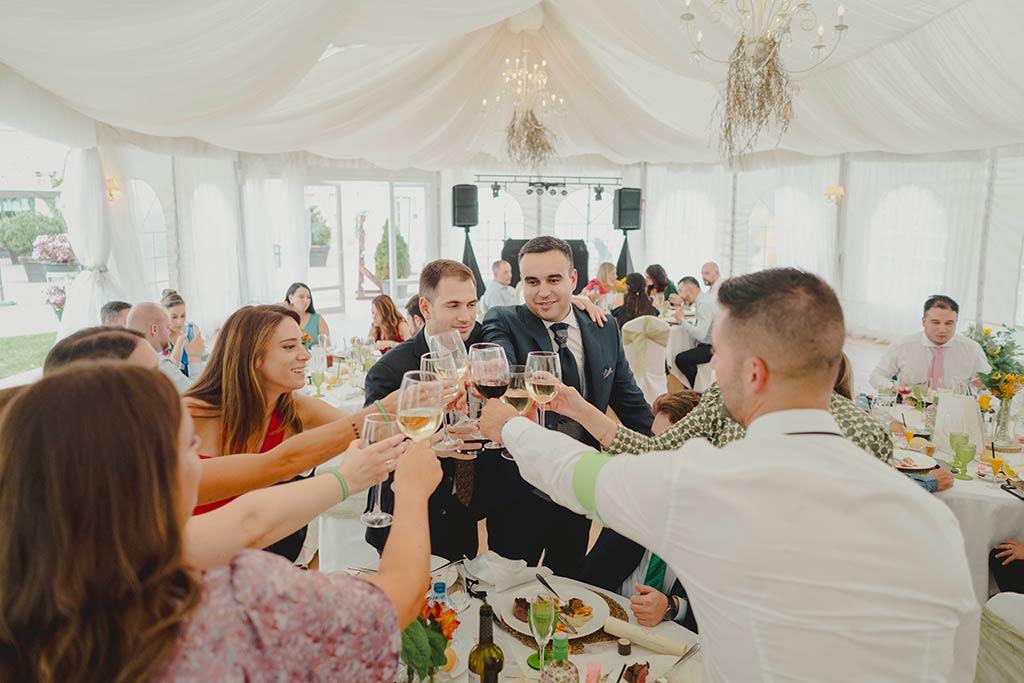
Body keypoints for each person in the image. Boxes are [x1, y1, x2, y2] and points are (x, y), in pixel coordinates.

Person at [481, 267, 979, 682]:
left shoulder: (707, 487)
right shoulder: (935, 524)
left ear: (754, 373)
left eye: (717, 354)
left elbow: (577, 475)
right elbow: (957, 660)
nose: (710, 366)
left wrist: (510, 430)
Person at [0, 362, 440, 683]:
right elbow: (394, 601)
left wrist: (346, 479)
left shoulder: (33, 604)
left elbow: (249, 520)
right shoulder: (239, 603)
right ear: (150, 476)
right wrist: (413, 491)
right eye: (191, 447)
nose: (204, 465)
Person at [39, 324, 408, 569]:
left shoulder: (289, 406)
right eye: (148, 377)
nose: (164, 386)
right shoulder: (133, 478)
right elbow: (266, 482)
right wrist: (350, 472)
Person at [482, 236, 653, 577]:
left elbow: (630, 401)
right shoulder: (504, 320)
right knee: (505, 591)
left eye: (554, 280)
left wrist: (668, 448)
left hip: (577, 489)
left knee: (568, 590)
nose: (542, 291)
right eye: (532, 281)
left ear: (573, 279)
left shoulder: (604, 328)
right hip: (520, 492)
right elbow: (501, 366)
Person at [185, 305, 371, 566]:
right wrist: (383, 411)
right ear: (254, 358)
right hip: (191, 565)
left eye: (301, 344)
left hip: (256, 565)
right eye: (289, 347)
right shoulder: (188, 417)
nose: (305, 355)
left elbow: (367, 431)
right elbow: (279, 464)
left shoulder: (294, 409)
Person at [363, 259, 485, 561]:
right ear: (426, 308)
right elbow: (373, 445)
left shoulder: (483, 345)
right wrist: (432, 444)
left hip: (463, 513)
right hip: (407, 514)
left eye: (471, 304)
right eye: (453, 305)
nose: (466, 316)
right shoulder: (391, 370)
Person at [624, 390, 701, 633]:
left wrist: (672, 607)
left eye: (667, 445)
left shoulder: (718, 522)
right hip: (612, 615)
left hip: (676, 638)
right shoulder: (636, 496)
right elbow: (594, 572)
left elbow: (725, 616)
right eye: (653, 439)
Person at [870, 295, 990, 391]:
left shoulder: (972, 349)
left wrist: (982, 385)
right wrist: (893, 388)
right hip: (909, 407)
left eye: (949, 323)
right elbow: (876, 376)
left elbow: (988, 385)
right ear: (924, 321)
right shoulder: (903, 345)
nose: (942, 329)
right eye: (935, 322)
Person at [126, 302, 194, 392]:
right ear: (154, 329)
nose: (169, 332)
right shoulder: (157, 362)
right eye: (167, 327)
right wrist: (195, 357)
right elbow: (197, 394)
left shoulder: (125, 359)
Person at [673, 276, 716, 388]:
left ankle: (697, 389)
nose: (680, 296)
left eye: (681, 291)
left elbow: (700, 335)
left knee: (681, 359)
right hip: (712, 344)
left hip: (713, 348)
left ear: (691, 290)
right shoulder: (704, 300)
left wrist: (681, 320)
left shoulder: (703, 305)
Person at [162, 289, 205, 378]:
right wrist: (180, 340)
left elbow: (203, 356)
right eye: (174, 317)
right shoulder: (160, 339)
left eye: (183, 316)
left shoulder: (191, 330)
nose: (179, 322)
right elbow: (170, 371)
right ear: (164, 316)